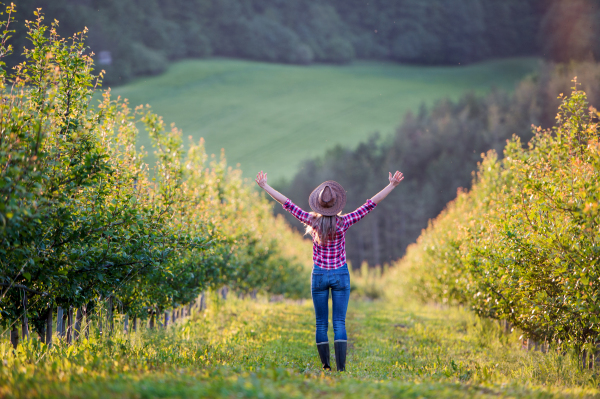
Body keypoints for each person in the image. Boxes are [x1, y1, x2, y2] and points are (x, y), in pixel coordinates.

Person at [255, 170, 404, 372]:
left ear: (318, 204)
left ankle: (326, 365)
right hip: (340, 274)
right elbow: (370, 204)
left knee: (321, 324)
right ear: (336, 204)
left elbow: (287, 204)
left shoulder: (312, 221)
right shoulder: (344, 222)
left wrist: (265, 186)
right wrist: (392, 185)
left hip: (319, 275)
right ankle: (341, 367)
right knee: (339, 322)